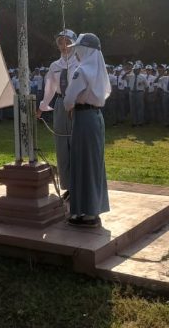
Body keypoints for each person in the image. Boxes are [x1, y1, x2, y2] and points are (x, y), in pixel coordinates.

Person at [63, 33, 111, 228]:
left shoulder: (82, 70)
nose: (76, 51)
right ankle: (92, 208)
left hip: (83, 118)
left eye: (78, 48)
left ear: (85, 50)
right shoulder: (98, 69)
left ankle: (87, 212)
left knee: (83, 162)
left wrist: (69, 107)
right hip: (96, 117)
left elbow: (68, 99)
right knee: (94, 163)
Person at [36, 29, 79, 197]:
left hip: (78, 105)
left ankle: (80, 186)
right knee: (61, 145)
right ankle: (68, 186)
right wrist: (42, 107)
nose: (64, 45)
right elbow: (50, 88)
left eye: (67, 42)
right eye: (60, 42)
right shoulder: (55, 66)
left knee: (77, 144)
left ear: (74, 43)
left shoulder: (81, 62)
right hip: (61, 104)